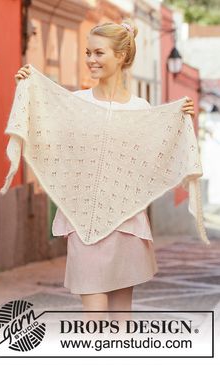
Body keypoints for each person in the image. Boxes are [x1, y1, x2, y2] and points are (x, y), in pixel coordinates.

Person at [14, 19, 195, 325]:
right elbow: (50, 140)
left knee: (122, 318)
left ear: (120, 57)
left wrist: (178, 121)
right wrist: (29, 91)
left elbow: (154, 162)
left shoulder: (140, 109)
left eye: (98, 53)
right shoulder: (77, 103)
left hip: (128, 221)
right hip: (84, 222)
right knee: (94, 315)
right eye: (87, 52)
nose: (90, 60)